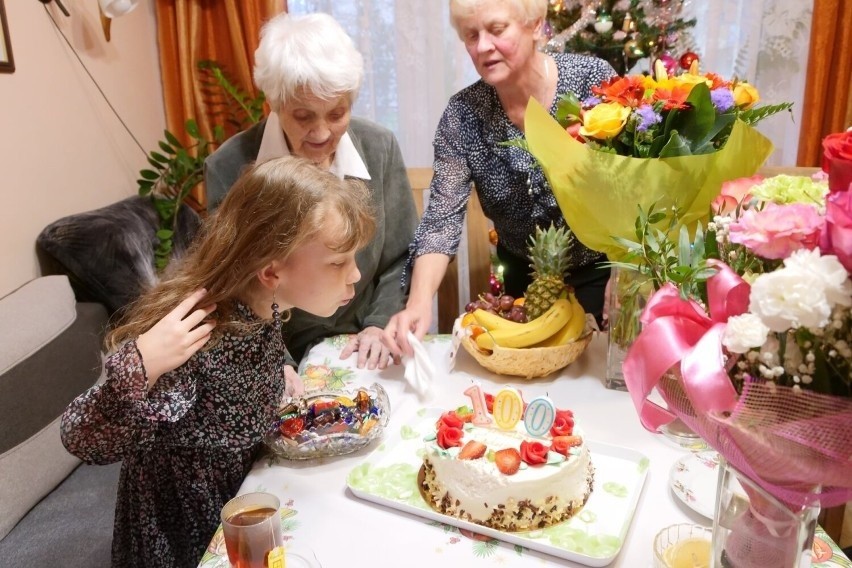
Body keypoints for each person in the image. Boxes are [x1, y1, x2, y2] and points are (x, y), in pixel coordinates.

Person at [60, 156, 375, 568]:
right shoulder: (199, 338)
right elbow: (80, 437)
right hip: (189, 535)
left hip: (247, 494)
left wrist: (274, 371)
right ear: (270, 271)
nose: (355, 275)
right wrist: (142, 363)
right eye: (338, 262)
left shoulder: (262, 307)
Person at [383, 0, 616, 356]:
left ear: (536, 25)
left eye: (496, 30)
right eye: (471, 35)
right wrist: (417, 302)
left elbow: (630, 190)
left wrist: (629, 277)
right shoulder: (463, 116)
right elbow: (441, 221)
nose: (482, 47)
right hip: (522, 288)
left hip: (602, 277)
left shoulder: (592, 82)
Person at [205, 12, 418, 370]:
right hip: (278, 348)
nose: (321, 132)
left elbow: (402, 256)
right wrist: (278, 362)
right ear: (273, 103)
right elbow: (234, 284)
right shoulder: (229, 166)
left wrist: (378, 326)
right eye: (303, 116)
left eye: (336, 114)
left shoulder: (379, 147)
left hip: (366, 335)